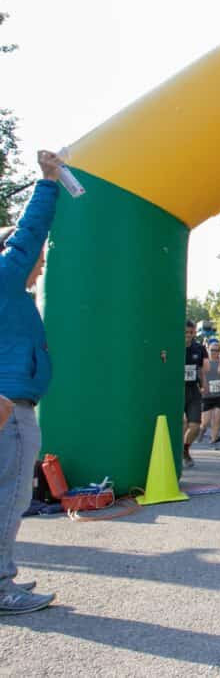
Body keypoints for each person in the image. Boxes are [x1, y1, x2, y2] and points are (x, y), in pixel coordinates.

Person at [0, 150, 63, 615]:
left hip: (13, 402)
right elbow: (30, 232)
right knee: (11, 494)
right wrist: (48, 182)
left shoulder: (12, 295)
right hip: (9, 408)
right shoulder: (5, 275)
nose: (39, 266)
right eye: (37, 260)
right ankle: (2, 584)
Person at [182, 321, 208, 468]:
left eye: (191, 333)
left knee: (195, 426)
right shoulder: (174, 346)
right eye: (185, 333)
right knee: (183, 422)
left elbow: (202, 370)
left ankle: (185, 449)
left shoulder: (198, 348)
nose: (188, 336)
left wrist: (204, 386)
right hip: (177, 389)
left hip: (193, 389)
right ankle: (176, 452)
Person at [200, 340, 220, 447]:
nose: (214, 352)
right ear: (208, 350)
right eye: (212, 350)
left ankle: (214, 440)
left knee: (217, 418)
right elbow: (200, 375)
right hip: (207, 396)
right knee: (205, 422)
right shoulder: (205, 363)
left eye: (217, 350)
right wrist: (202, 387)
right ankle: (202, 430)